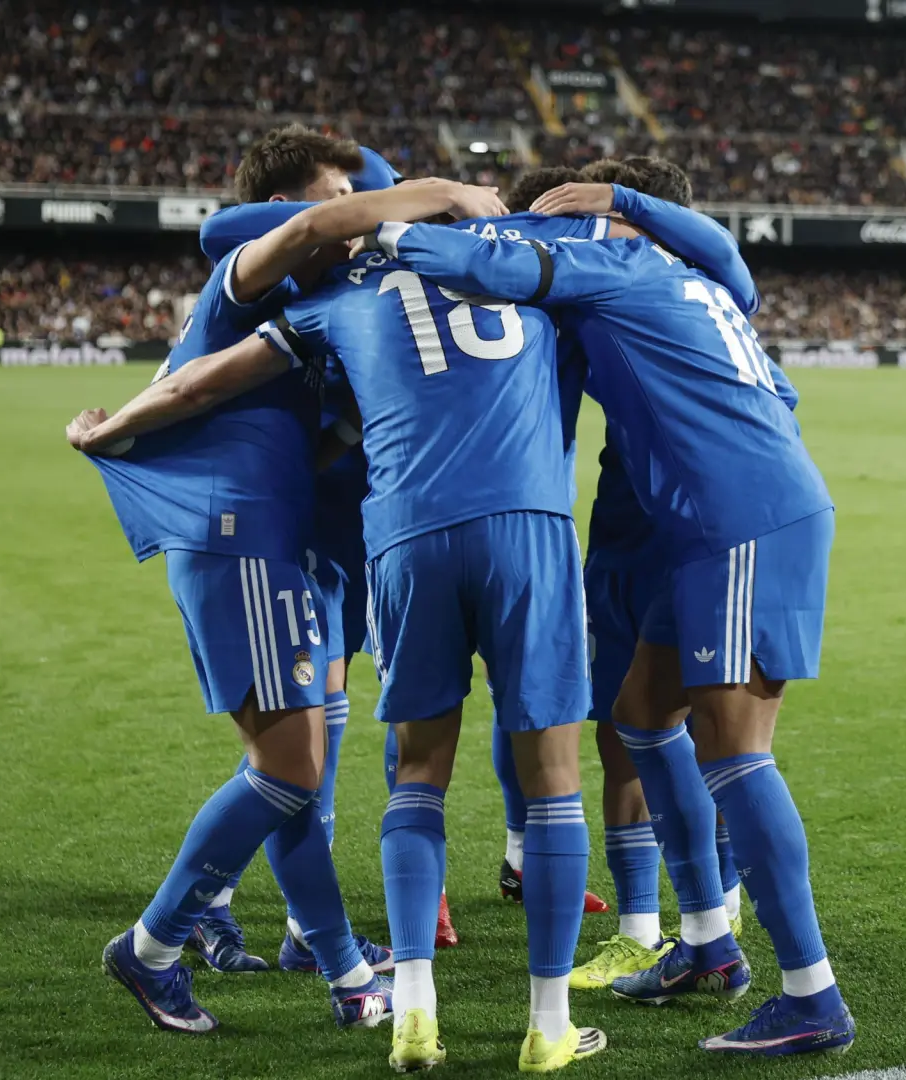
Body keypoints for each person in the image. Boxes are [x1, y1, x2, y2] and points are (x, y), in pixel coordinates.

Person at [376, 197, 855, 1057]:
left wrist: (382, 227)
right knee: (639, 717)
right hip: (715, 521)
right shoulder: (699, 274)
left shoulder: (618, 264)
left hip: (737, 520)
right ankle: (706, 939)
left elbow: (494, 272)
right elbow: (757, 332)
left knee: (738, 750)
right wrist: (625, 202)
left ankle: (811, 994)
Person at [64, 128, 501, 1034]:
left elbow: (324, 431)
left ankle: (338, 969)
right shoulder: (248, 269)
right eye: (335, 194)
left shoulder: (316, 307)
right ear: (293, 202)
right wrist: (444, 192)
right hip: (243, 537)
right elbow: (308, 234)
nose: (351, 212)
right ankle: (154, 945)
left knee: (296, 767)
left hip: (286, 543)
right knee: (288, 768)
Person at [252, 198, 610, 1071]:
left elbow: (224, 371)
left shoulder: (332, 295)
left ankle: (413, 1010)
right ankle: (547, 1024)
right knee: (554, 776)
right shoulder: (523, 257)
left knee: (418, 772)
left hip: (407, 533)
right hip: (527, 524)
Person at [181, 146, 460, 970]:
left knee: (312, 746)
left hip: (348, 539)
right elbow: (225, 227)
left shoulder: (367, 277)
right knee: (293, 753)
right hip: (292, 538)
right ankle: (201, 912)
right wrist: (400, 191)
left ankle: (302, 929)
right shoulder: (297, 265)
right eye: (348, 198)